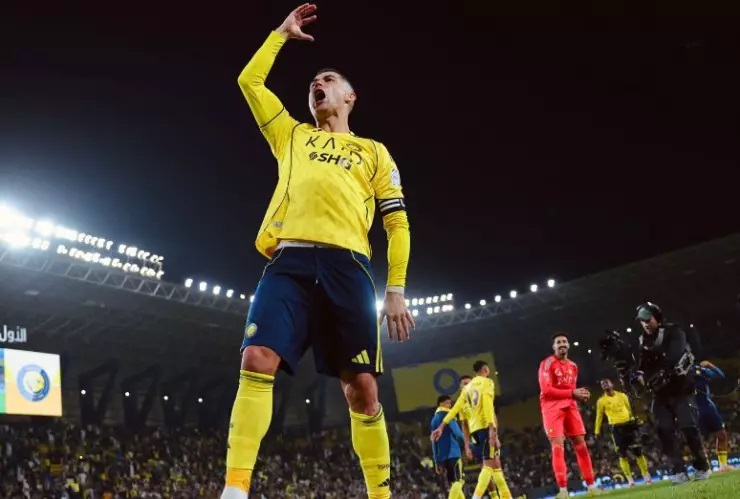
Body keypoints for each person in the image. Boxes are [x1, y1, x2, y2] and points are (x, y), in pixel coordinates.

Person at [221, 4, 415, 499]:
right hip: (287, 263)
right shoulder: (291, 135)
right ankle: (235, 489)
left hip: (347, 266)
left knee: (362, 390)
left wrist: (395, 288)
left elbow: (396, 223)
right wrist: (280, 35)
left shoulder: (374, 151)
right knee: (255, 358)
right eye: (313, 82)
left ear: (349, 97)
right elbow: (249, 82)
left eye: (327, 80)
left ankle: (381, 495)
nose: (317, 84)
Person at [635, 302, 710, 483]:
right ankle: (678, 470)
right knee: (664, 430)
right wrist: (637, 376)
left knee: (688, 427)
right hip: (660, 393)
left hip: (682, 389)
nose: (645, 324)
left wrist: (659, 371)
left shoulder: (674, 331)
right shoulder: (643, 341)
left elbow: (675, 355)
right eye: (642, 321)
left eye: (648, 319)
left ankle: (702, 466)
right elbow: (642, 366)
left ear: (657, 317)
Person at [432, 360, 512, 499]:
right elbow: (488, 407)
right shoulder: (486, 383)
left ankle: (505, 497)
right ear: (485, 370)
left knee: (496, 466)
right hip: (485, 428)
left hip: (476, 432)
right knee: (487, 466)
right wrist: (492, 430)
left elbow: (454, 409)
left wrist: (441, 426)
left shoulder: (467, 391)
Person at [538, 333, 598, 498]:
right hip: (551, 408)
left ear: (569, 345)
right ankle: (563, 490)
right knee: (558, 447)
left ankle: (592, 486)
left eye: (564, 341)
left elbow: (571, 390)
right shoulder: (547, 363)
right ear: (554, 347)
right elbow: (546, 390)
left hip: (570, 406)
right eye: (558, 342)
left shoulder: (573, 366)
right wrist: (573, 393)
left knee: (581, 446)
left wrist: (579, 395)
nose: (562, 344)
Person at [594, 378, 651, 486]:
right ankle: (630, 480)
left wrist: (634, 419)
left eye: (606, 382)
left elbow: (629, 409)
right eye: (602, 384)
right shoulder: (601, 401)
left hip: (629, 425)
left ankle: (646, 476)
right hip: (616, 428)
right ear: (602, 387)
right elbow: (599, 416)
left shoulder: (622, 395)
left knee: (638, 452)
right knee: (622, 455)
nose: (605, 384)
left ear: (612, 384)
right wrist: (596, 431)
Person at [693, 360, 732, 471]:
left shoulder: (699, 370)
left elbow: (720, 375)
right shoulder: (680, 374)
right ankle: (706, 468)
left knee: (722, 435)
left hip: (708, 407)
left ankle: (723, 465)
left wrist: (710, 365)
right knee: (699, 441)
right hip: (694, 409)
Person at [430, 395, 466, 499]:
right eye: (448, 403)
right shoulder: (449, 415)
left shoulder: (434, 420)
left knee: (454, 484)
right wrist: (470, 443)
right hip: (453, 454)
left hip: (443, 458)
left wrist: (436, 461)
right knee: (459, 481)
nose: (450, 406)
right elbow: (458, 433)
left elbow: (434, 443)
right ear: (441, 404)